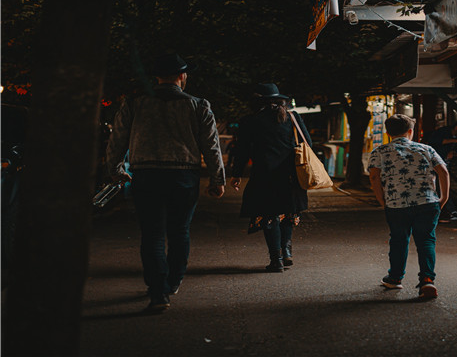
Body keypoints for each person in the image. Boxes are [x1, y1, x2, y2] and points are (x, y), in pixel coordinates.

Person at [106, 53, 225, 312]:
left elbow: (117, 140)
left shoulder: (135, 103)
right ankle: (173, 281)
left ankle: (158, 291)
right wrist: (217, 179)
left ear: (157, 77)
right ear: (182, 77)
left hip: (146, 174)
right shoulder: (198, 105)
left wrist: (115, 169)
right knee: (179, 231)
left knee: (152, 234)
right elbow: (211, 146)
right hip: (184, 175)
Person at [229, 83, 311, 273]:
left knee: (268, 215)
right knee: (288, 213)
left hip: (264, 176)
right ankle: (287, 251)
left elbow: (242, 151)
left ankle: (277, 260)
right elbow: (308, 142)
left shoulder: (250, 121)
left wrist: (236, 174)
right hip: (291, 176)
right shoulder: (292, 118)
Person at [368, 114, 449, 299]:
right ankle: (427, 280)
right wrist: (443, 198)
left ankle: (395, 278)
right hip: (428, 203)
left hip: (396, 204)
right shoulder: (426, 149)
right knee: (426, 240)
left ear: (388, 133)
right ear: (411, 131)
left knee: (398, 239)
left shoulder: (379, 151)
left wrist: (382, 200)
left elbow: (374, 177)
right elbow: (443, 171)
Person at [424, 120, 457, 222]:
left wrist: (453, 152)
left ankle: (448, 212)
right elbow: (435, 141)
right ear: (456, 128)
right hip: (434, 165)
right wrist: (456, 141)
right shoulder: (443, 132)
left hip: (445, 163)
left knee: (443, 187)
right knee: (438, 187)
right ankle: (447, 212)